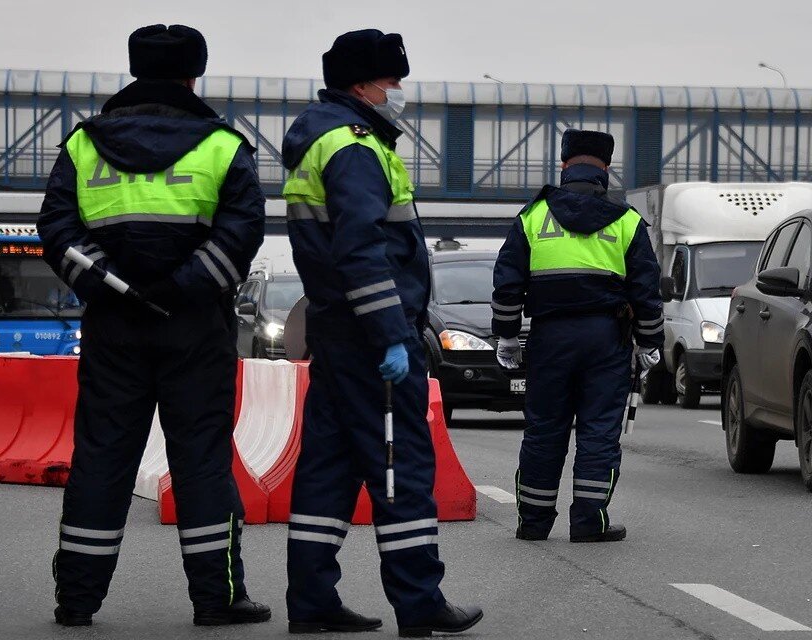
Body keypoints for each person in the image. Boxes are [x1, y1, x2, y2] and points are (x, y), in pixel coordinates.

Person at [37, 24, 269, 627]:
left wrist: (113, 282)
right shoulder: (223, 146)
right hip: (195, 330)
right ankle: (217, 600)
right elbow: (241, 234)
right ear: (196, 74)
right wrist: (180, 287)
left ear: (135, 69)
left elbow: (57, 231)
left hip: (114, 326)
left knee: (102, 459)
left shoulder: (83, 145)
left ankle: (77, 600)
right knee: (201, 462)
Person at [280, 29, 483, 637]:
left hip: (337, 334)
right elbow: (363, 249)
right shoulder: (354, 147)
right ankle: (419, 604)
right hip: (369, 340)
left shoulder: (321, 139)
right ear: (364, 84)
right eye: (393, 82)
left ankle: (313, 602)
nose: (399, 93)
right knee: (402, 471)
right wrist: (392, 334)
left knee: (328, 469)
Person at [492, 129, 664, 543]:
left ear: (565, 166)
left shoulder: (532, 217)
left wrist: (507, 336)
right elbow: (646, 288)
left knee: (544, 429)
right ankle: (588, 521)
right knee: (599, 430)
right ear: (606, 169)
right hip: (607, 338)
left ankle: (532, 522)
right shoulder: (626, 221)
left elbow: (508, 281)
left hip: (550, 337)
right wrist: (650, 341)